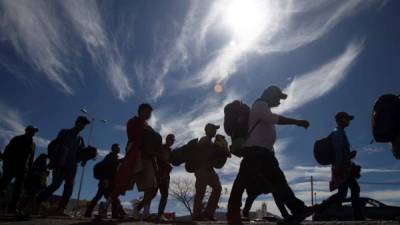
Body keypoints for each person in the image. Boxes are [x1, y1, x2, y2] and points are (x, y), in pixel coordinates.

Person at [227, 85, 315, 225]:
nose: (279, 102)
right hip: (254, 151)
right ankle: (232, 214)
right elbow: (273, 119)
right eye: (278, 98)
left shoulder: (263, 106)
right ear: (270, 94)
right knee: (242, 182)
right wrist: (297, 122)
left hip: (266, 153)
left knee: (279, 182)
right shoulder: (260, 104)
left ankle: (298, 210)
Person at [108, 103, 158, 220]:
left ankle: (145, 213)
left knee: (151, 186)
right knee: (122, 184)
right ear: (140, 111)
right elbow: (133, 135)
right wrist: (146, 131)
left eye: (150, 112)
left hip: (147, 158)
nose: (149, 114)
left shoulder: (148, 127)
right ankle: (105, 206)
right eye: (147, 111)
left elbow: (153, 142)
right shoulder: (133, 121)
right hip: (134, 156)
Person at [35, 116, 90, 216]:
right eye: (81, 123)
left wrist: (85, 159)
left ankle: (61, 209)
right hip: (60, 163)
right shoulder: (65, 132)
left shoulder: (80, 139)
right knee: (55, 185)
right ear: (76, 122)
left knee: (69, 187)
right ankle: (36, 202)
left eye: (84, 125)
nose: (83, 126)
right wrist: (52, 161)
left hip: (72, 166)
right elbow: (55, 145)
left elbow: (81, 153)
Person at [317, 112, 364, 220]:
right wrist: (339, 167)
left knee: (343, 193)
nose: (349, 121)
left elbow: (341, 152)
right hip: (342, 168)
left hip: (343, 167)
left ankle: (322, 207)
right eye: (347, 119)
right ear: (341, 119)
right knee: (353, 189)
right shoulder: (338, 132)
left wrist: (350, 155)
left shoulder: (339, 132)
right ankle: (358, 216)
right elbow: (338, 152)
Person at [136, 134, 175, 221]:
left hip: (165, 175)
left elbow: (172, 161)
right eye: (170, 139)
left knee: (164, 194)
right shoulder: (160, 148)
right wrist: (159, 169)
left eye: (173, 140)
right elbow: (155, 158)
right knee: (151, 194)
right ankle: (137, 209)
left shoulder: (170, 151)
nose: (171, 141)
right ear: (166, 139)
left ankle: (160, 214)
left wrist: (168, 167)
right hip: (157, 174)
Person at [0, 125, 38, 213]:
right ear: (26, 130)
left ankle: (12, 208)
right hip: (12, 165)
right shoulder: (17, 139)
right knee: (3, 183)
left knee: (18, 189)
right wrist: (5, 162)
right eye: (31, 130)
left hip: (23, 169)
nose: (33, 133)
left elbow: (31, 158)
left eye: (34, 131)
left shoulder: (33, 144)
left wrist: (29, 169)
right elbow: (8, 150)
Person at [85, 144, 125, 218]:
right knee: (113, 198)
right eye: (117, 148)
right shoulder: (110, 157)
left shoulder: (112, 157)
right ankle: (116, 215)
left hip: (108, 181)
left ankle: (88, 212)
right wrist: (120, 161)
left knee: (101, 197)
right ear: (114, 149)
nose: (119, 149)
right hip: (107, 181)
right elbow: (109, 168)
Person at [192, 123, 223, 221]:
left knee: (217, 188)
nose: (215, 131)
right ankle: (197, 215)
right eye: (213, 129)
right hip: (201, 169)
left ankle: (208, 213)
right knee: (200, 191)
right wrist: (216, 146)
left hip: (209, 169)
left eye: (215, 129)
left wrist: (220, 146)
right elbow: (201, 151)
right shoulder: (204, 139)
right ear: (208, 130)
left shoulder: (211, 142)